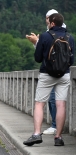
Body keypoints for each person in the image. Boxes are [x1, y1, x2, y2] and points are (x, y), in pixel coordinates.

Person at [23, 13, 74, 146]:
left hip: (47, 74)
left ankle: (36, 134)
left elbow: (38, 58)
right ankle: (58, 137)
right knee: (61, 104)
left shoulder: (45, 36)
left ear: (51, 23)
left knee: (40, 104)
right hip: (64, 75)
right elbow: (71, 60)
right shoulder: (70, 37)